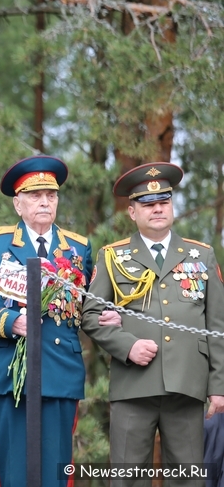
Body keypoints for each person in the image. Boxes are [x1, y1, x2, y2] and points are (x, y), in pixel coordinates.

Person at [82, 162, 224, 485]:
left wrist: (219, 387)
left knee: (189, 479)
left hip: (187, 387)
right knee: (127, 478)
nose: (157, 209)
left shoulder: (201, 256)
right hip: (134, 385)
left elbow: (218, 325)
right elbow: (89, 314)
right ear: (132, 212)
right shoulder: (112, 257)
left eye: (164, 202)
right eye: (148, 204)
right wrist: (127, 345)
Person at [0, 155, 93, 487]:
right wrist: (8, 321)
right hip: (8, 374)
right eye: (35, 196)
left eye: (51, 195)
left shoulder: (78, 248)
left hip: (60, 370)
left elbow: (89, 307)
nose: (45, 202)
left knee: (57, 468)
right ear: (18, 204)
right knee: (14, 467)